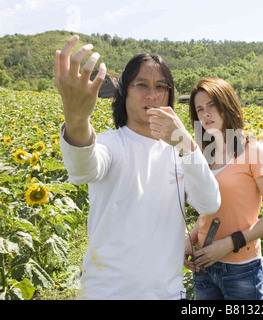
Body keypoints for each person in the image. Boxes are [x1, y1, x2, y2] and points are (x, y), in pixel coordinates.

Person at [54, 35, 221, 300]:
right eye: (141, 85)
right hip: (106, 293)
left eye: (161, 87)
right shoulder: (111, 143)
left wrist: (185, 142)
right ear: (124, 93)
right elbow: (83, 170)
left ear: (170, 94)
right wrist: (76, 118)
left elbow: (209, 203)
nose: (152, 95)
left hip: (167, 292)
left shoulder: (180, 151)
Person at [183, 78, 263, 300]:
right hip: (203, 265)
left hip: (241, 269)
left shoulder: (254, 152)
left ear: (227, 105)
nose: (205, 114)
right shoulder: (205, 156)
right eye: (200, 110)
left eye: (211, 105)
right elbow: (208, 214)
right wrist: (189, 240)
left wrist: (228, 244)